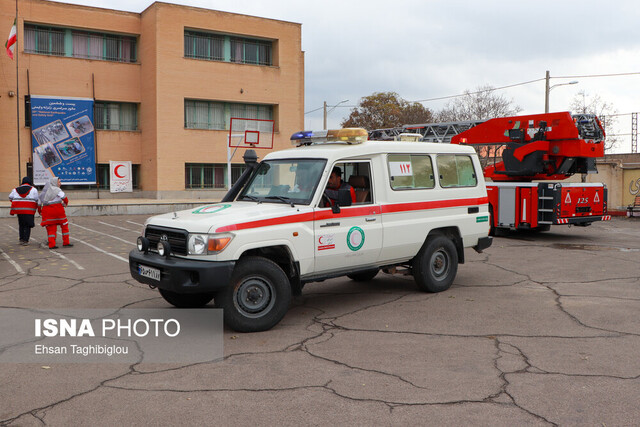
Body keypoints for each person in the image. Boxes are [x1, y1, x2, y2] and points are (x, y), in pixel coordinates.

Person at [39, 176, 73, 249]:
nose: (60, 183)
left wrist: (40, 211)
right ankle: (66, 242)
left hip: (48, 212)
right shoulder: (57, 190)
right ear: (55, 182)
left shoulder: (45, 192)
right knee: (64, 226)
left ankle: (52, 244)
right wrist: (65, 204)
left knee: (51, 228)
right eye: (59, 182)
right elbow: (65, 198)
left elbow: (39, 202)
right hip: (58, 211)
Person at [9, 177, 39, 245]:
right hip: (29, 211)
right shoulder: (33, 190)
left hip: (19, 210)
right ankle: (26, 240)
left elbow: (10, 197)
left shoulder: (15, 189)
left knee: (21, 224)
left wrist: (17, 203)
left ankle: (21, 239)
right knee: (28, 225)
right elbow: (37, 199)